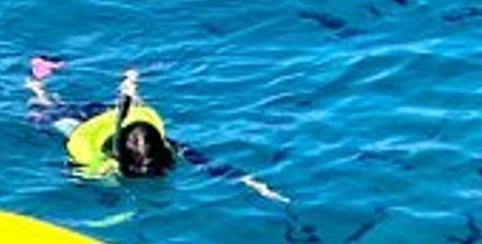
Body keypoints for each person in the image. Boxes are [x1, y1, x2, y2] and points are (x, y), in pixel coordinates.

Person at [25, 57, 288, 201]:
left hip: (122, 116)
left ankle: (130, 81)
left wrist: (254, 183)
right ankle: (36, 80)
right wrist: (89, 180)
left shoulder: (168, 144)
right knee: (42, 110)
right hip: (89, 124)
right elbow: (72, 173)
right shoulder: (90, 152)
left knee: (132, 105)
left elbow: (210, 165)